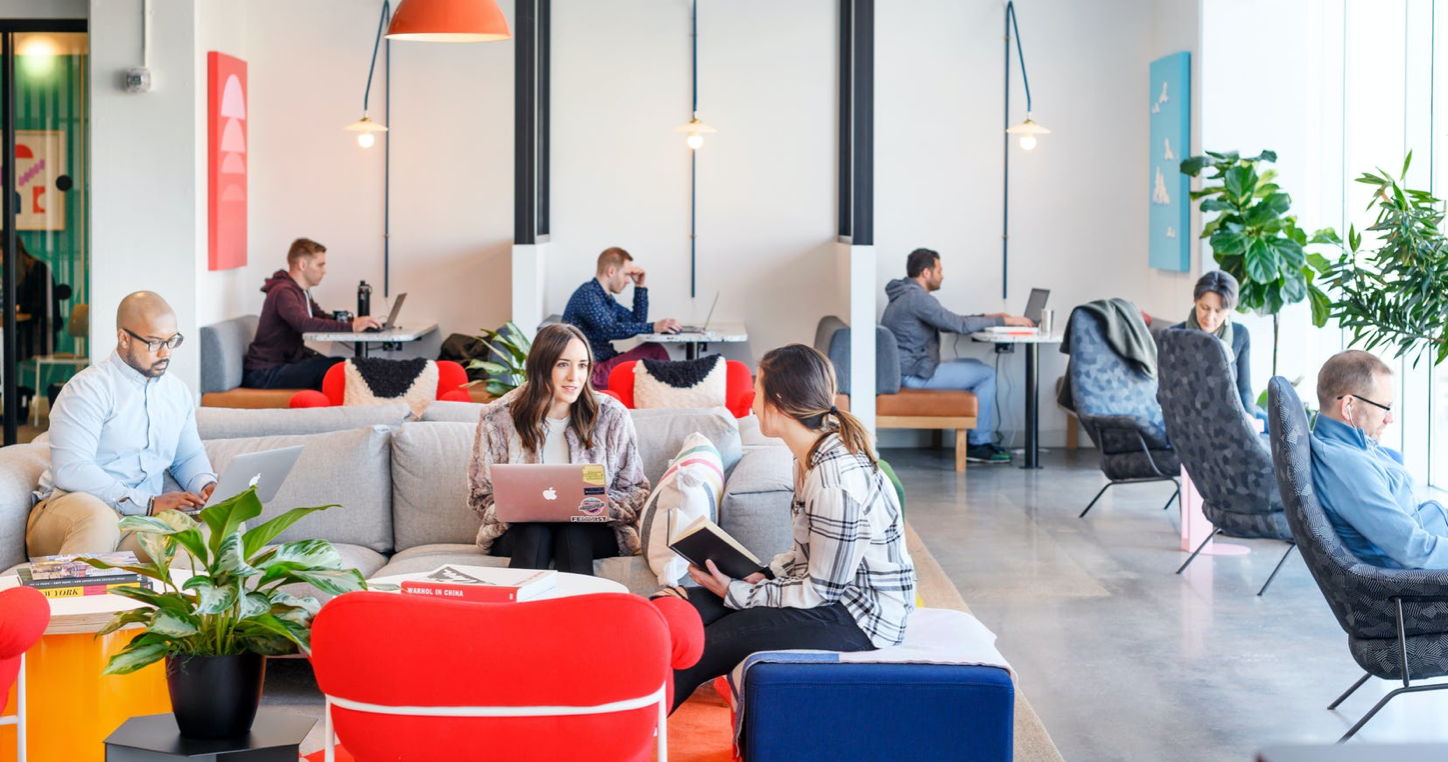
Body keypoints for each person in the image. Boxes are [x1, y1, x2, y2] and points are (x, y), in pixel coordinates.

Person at [667, 344, 915, 713]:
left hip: (859, 618)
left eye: (758, 389)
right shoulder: (811, 456)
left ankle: (627, 737)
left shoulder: (834, 483)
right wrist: (760, 576)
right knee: (688, 610)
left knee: (707, 645)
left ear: (778, 400)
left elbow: (821, 592)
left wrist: (741, 593)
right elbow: (807, 557)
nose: (752, 403)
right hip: (831, 595)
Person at [26, 292, 218, 557]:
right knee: (100, 519)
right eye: (154, 343)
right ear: (124, 338)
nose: (165, 353)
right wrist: (148, 504)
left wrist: (205, 485)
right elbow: (72, 470)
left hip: (136, 523)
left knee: (203, 534)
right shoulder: (87, 389)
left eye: (172, 341)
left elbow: (187, 456)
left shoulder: (177, 392)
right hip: (70, 509)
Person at [467, 323, 650, 575]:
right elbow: (481, 496)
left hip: (592, 531)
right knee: (535, 530)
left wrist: (593, 508)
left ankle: (571, 612)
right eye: (563, 364)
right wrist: (517, 508)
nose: (574, 376)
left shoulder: (612, 416)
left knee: (572, 529)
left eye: (582, 365)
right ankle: (522, 613)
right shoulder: (498, 418)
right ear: (541, 366)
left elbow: (634, 490)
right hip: (519, 532)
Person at [880, 247, 1034, 464]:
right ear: (926, 272)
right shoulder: (917, 298)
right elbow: (958, 325)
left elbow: (948, 321)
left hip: (907, 369)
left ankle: (977, 440)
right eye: (940, 270)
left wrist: (988, 317)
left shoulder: (905, 293)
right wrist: (1004, 321)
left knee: (975, 365)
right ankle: (978, 445)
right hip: (913, 374)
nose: (942, 276)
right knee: (985, 374)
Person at [1311, 350, 1448, 569]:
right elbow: (1413, 549)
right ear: (1348, 406)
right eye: (1385, 407)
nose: (1390, 418)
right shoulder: (1348, 467)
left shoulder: (1352, 447)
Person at [242, 238, 381, 390]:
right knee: (337, 368)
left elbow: (320, 316)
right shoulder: (283, 292)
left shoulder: (300, 291)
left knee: (341, 366)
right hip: (264, 373)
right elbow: (304, 324)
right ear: (302, 265)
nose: (324, 270)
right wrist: (352, 327)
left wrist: (355, 321)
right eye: (320, 265)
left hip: (281, 365)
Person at [562, 246, 680, 390]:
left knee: (652, 354)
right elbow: (610, 329)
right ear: (611, 271)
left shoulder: (606, 298)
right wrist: (653, 326)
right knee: (654, 350)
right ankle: (672, 395)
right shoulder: (587, 295)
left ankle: (665, 396)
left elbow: (637, 322)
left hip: (603, 364)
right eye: (626, 274)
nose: (628, 280)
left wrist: (640, 286)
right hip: (592, 372)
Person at [1171, 270, 1254, 412]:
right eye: (1205, 308)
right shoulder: (1174, 336)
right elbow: (1169, 391)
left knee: (1273, 427)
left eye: (1218, 311)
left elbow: (1244, 389)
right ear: (1196, 301)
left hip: (1231, 414)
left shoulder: (1240, 335)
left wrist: (1250, 417)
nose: (1209, 317)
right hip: (1190, 415)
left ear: (1229, 310)